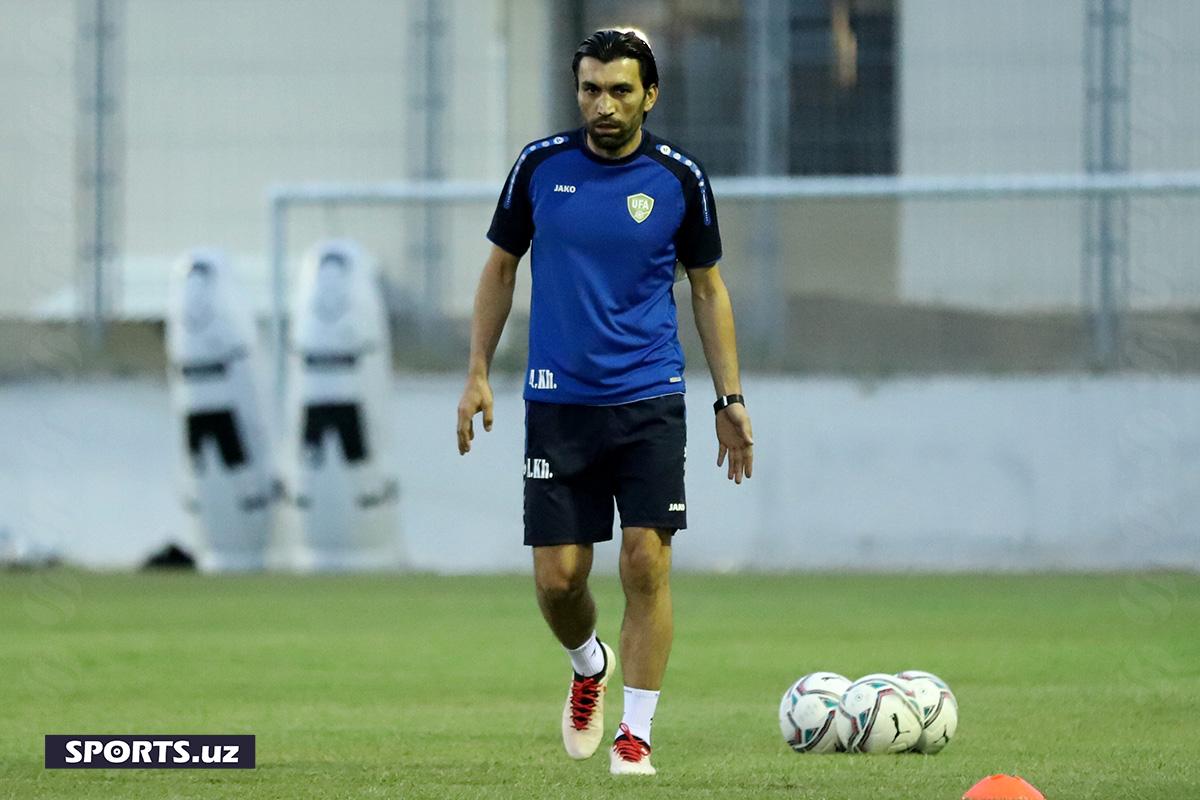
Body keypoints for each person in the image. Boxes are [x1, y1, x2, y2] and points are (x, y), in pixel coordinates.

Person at [456, 28, 754, 776]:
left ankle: (636, 734)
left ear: (650, 95)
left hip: (649, 396)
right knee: (558, 580)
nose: (604, 104)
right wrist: (477, 371)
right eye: (591, 88)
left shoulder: (680, 178)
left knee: (644, 563)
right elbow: (499, 271)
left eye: (620, 90)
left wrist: (730, 398)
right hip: (558, 402)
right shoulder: (539, 167)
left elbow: (708, 291)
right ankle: (589, 664)